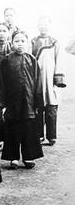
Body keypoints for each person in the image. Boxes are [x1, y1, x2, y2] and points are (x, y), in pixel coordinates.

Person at [0, 30, 44, 169]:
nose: (20, 44)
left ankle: (28, 156)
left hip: (29, 102)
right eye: (17, 41)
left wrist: (38, 103)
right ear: (12, 43)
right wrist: (3, 104)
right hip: (12, 102)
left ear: (27, 43)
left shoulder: (32, 60)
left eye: (23, 41)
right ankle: (13, 157)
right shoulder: (6, 60)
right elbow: (2, 83)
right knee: (12, 129)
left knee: (28, 129)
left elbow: (38, 82)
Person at [31, 15, 66, 145]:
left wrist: (57, 80)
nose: (43, 27)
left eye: (45, 24)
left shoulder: (55, 42)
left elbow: (59, 61)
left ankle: (52, 136)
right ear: (37, 26)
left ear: (50, 26)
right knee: (38, 106)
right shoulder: (33, 41)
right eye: (41, 24)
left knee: (51, 106)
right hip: (37, 79)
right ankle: (39, 134)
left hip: (50, 79)